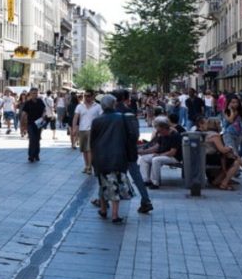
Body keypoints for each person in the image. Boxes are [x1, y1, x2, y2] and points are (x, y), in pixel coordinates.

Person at [90, 94, 134, 224]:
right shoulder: (121, 118)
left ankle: (104, 209)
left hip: (101, 157)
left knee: (104, 183)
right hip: (119, 155)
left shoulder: (97, 121)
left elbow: (92, 142)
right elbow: (130, 136)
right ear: (114, 104)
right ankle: (114, 214)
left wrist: (93, 159)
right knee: (116, 184)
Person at [138, 117, 182, 189]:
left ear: (165, 128)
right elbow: (156, 147)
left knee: (156, 160)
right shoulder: (162, 135)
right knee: (144, 158)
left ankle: (155, 182)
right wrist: (143, 152)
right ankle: (146, 180)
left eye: (160, 131)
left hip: (174, 157)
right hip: (162, 154)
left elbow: (172, 152)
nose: (159, 133)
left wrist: (158, 155)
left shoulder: (175, 136)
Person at [73, 91, 102, 174]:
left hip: (92, 130)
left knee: (89, 149)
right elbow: (75, 117)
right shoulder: (80, 106)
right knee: (84, 150)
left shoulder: (97, 106)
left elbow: (101, 117)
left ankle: (89, 167)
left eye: (88, 96)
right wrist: (74, 128)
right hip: (82, 129)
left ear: (93, 97)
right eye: (85, 96)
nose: (86, 97)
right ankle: (86, 166)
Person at [19, 87, 46, 162]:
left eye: (36, 93)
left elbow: (44, 110)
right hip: (30, 124)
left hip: (39, 123)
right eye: (34, 93)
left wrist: (44, 115)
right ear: (30, 94)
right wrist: (22, 126)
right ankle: (31, 156)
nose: (35, 95)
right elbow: (23, 114)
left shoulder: (40, 101)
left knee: (37, 139)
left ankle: (36, 154)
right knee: (32, 139)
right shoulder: (27, 103)